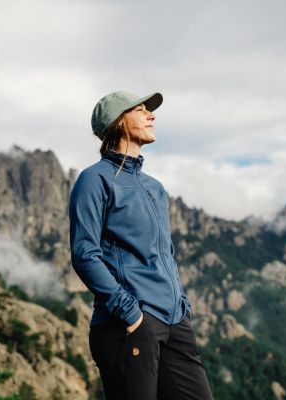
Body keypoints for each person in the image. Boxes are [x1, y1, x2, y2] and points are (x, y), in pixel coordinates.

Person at [68, 90, 213, 399]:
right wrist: (132, 314)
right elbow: (85, 255)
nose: (152, 115)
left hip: (175, 322)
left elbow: (166, 254)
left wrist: (181, 306)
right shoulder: (94, 180)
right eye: (141, 110)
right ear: (119, 122)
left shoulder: (155, 188)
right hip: (129, 325)